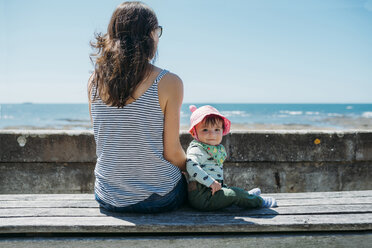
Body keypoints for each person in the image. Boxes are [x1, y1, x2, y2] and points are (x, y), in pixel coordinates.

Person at [87, 1, 187, 213]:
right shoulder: (168, 82)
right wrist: (192, 168)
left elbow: (104, 141)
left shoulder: (93, 83)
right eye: (156, 32)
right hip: (158, 197)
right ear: (149, 35)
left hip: (108, 197)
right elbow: (172, 153)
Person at [186, 105, 277, 211]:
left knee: (233, 191)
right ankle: (258, 202)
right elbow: (190, 165)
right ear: (194, 133)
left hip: (211, 190)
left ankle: (246, 196)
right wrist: (210, 182)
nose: (212, 134)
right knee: (234, 194)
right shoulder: (197, 149)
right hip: (202, 196)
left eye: (217, 129)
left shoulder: (213, 148)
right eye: (205, 130)